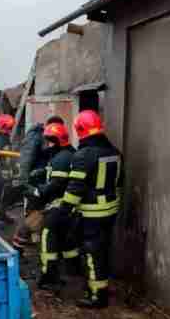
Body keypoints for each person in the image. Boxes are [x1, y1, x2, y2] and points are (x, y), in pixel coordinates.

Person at [58, 110, 123, 309]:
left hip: (92, 211)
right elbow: (120, 180)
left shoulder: (84, 155)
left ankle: (97, 295)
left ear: (80, 130)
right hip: (111, 209)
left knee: (91, 250)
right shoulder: (113, 151)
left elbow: (75, 188)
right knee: (103, 248)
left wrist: (64, 209)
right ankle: (103, 285)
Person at [24, 122, 78, 291]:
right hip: (70, 207)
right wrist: (41, 173)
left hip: (58, 207)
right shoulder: (69, 153)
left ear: (55, 141)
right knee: (67, 239)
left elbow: (55, 186)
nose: (46, 145)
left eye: (48, 141)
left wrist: (34, 190)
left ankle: (49, 277)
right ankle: (73, 269)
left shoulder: (61, 158)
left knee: (48, 239)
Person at [12, 115, 65, 249]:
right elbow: (26, 159)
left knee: (39, 212)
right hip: (34, 182)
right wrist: (24, 182)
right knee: (33, 214)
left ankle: (30, 241)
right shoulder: (36, 136)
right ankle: (18, 247)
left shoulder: (45, 137)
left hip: (42, 181)